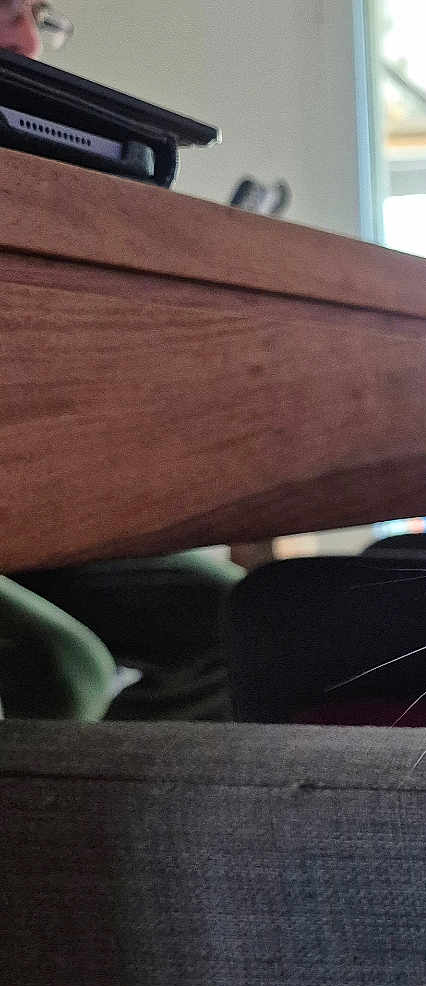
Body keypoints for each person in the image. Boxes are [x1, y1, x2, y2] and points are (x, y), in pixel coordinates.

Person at [0, 1, 241, 720]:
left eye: (36, 15)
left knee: (254, 620)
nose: (28, 39)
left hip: (42, 520)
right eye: (5, 12)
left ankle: (103, 805)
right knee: (64, 671)